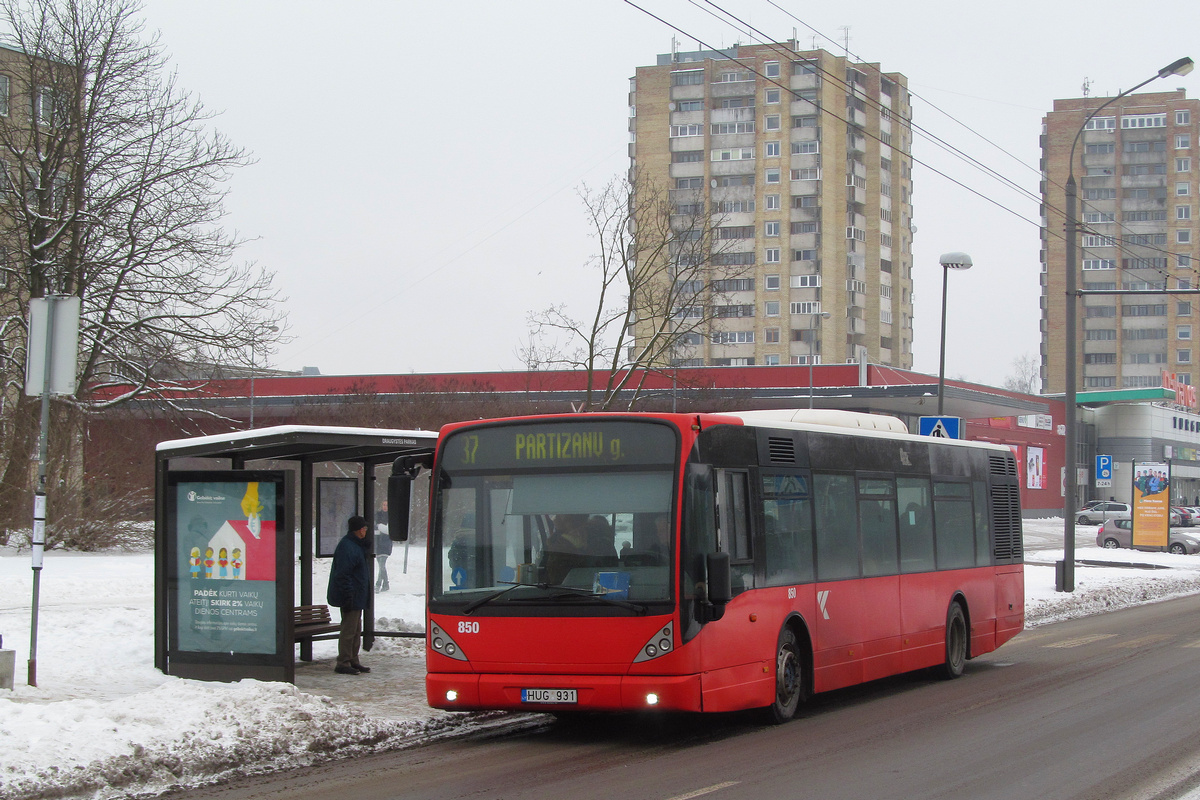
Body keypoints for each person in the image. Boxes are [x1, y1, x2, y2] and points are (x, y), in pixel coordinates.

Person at [326, 515, 372, 675]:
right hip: (351, 596)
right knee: (349, 629)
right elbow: (343, 574)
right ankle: (344, 661)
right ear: (359, 530)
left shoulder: (355, 545)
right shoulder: (349, 547)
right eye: (364, 528)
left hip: (356, 595)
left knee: (355, 629)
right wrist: (349, 594)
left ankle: (353, 659)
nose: (366, 531)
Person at [374, 518, 393, 593]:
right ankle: (386, 584)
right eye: (383, 505)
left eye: (386, 505)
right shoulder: (378, 515)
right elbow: (375, 532)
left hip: (385, 547)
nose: (384, 506)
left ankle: (378, 584)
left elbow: (388, 531)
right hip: (378, 547)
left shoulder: (389, 517)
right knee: (382, 567)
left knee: (382, 566)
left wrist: (379, 526)